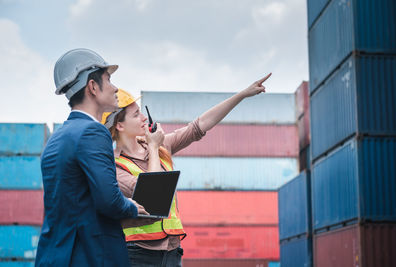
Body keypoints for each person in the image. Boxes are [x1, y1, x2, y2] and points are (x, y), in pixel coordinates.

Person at [101, 73, 271, 267]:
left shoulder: (160, 145)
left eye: (141, 111)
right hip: (138, 254)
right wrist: (154, 148)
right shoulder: (114, 166)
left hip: (173, 250)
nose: (142, 117)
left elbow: (198, 127)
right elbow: (153, 198)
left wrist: (241, 95)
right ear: (120, 125)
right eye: (135, 114)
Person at [35, 48, 148, 267]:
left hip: (54, 257)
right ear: (93, 87)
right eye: (109, 79)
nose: (115, 88)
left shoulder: (56, 139)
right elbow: (110, 201)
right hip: (90, 256)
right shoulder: (94, 132)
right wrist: (134, 207)